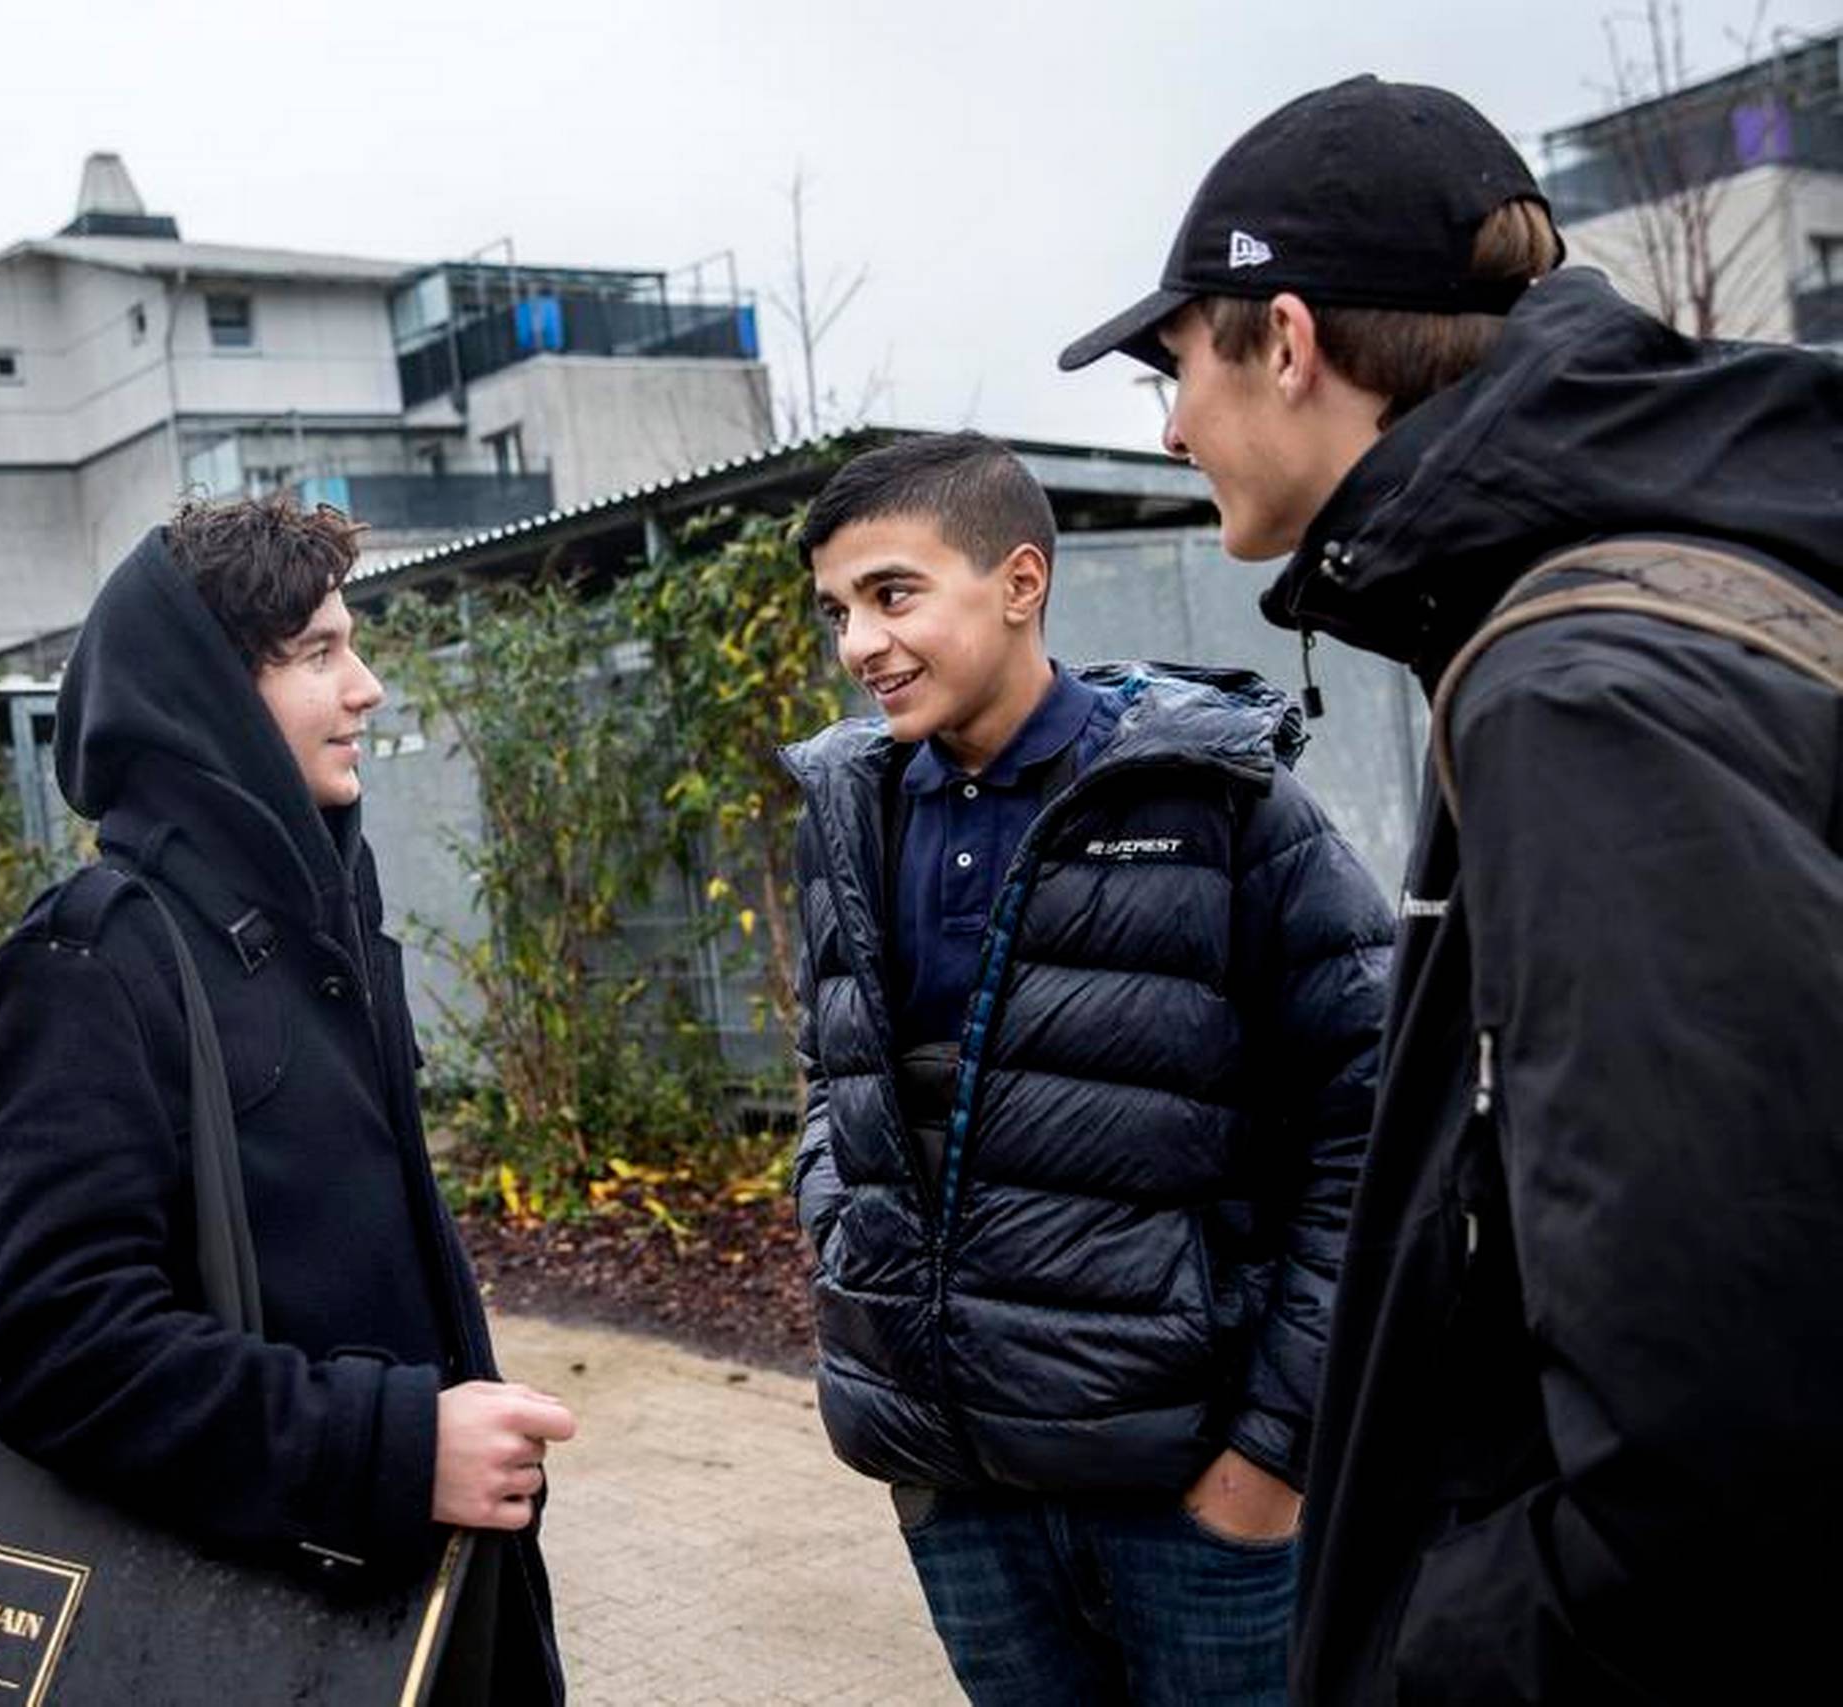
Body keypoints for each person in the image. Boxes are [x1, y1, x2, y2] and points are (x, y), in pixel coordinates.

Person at [1059, 75, 1843, 1704]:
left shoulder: (1580, 686)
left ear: (1286, 340)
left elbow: (1724, 1441)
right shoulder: (1626, 586)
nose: (1169, 428)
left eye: (1178, 365)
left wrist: (1425, 1648)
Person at [784, 431, 1393, 1704]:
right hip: (961, 1495)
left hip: (1189, 1498)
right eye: (838, 611)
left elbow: (1371, 1120)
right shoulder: (849, 811)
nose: (859, 646)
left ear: (1019, 583)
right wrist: (855, 1264)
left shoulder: (1213, 799)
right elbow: (830, 1079)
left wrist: (1270, 1455)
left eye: (893, 595)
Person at [0, 496, 571, 1702]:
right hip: (260, 1627)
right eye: (317, 654)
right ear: (205, 698)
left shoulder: (317, 927)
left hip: (409, 1605)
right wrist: (391, 1448)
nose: (368, 688)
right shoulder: (94, 958)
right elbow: (54, 1348)